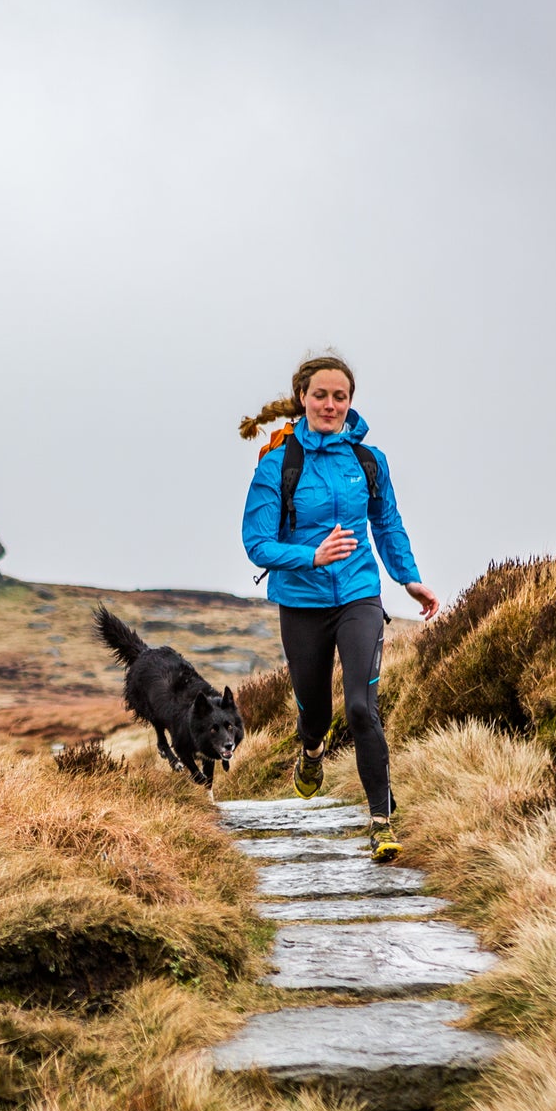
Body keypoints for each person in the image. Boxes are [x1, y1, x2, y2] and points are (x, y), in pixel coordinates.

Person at [239, 355, 438, 862]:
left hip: (358, 595)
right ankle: (311, 752)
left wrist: (408, 578)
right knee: (315, 713)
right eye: (321, 395)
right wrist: (310, 555)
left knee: (360, 707)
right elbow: (257, 543)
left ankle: (381, 821)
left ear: (351, 402)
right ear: (302, 397)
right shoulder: (278, 463)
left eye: (340, 397)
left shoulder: (368, 461)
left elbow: (387, 522)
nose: (331, 405)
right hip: (301, 602)